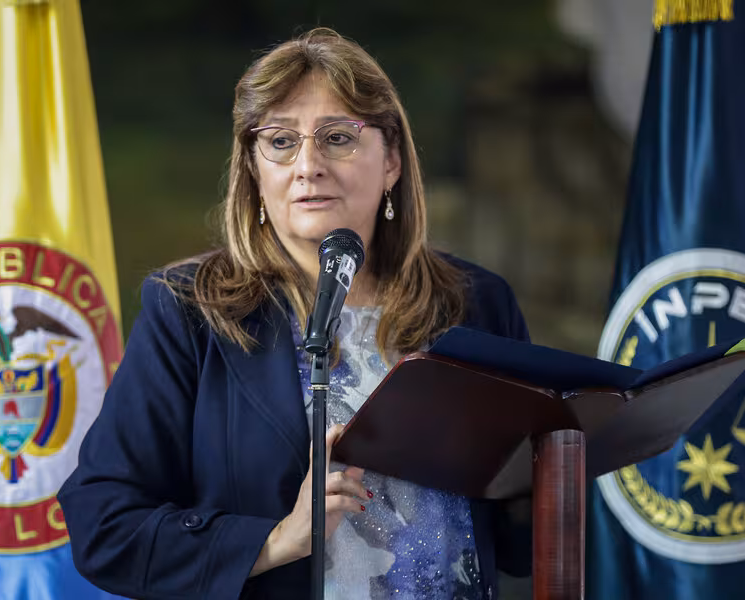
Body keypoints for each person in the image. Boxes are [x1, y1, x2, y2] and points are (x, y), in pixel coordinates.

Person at [58, 27, 532, 600]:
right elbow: (105, 527)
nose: (308, 165)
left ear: (392, 161)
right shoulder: (189, 312)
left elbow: (520, 541)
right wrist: (278, 540)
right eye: (281, 141)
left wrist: (552, 471)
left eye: (338, 137)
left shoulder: (477, 302)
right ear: (254, 171)